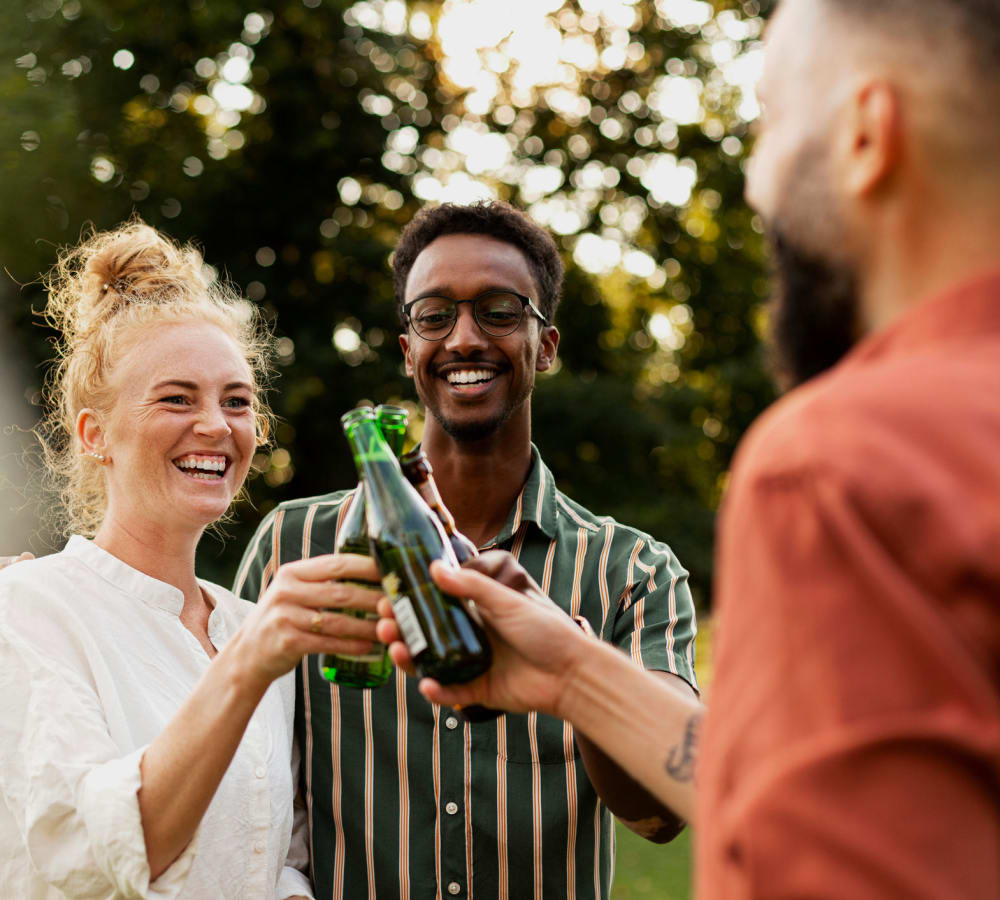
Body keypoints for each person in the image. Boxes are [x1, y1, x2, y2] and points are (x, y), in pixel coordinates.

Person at [382, 0, 1000, 896]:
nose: (757, 186)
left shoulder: (844, 463)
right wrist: (574, 672)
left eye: (774, 123)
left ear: (869, 134)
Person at [235, 201, 699, 899]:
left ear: (545, 344)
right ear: (408, 350)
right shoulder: (291, 547)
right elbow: (211, 747)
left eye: (500, 311)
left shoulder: (631, 571)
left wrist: (575, 675)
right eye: (434, 316)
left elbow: (663, 813)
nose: (464, 338)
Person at [0, 222, 383, 899]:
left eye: (237, 402)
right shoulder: (30, 610)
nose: (216, 425)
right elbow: (91, 857)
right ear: (95, 435)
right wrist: (251, 661)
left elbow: (279, 857)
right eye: (177, 398)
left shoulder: (246, 625)